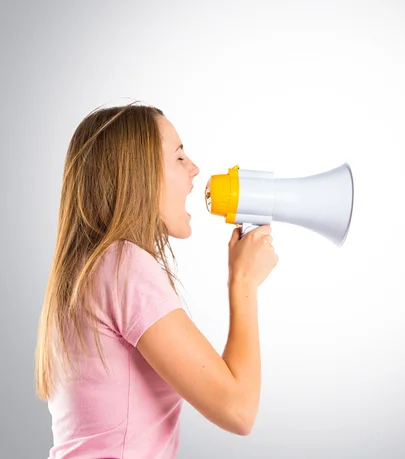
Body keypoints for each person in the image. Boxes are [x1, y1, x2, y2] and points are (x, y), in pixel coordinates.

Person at [34, 101, 278, 458]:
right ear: (138, 174)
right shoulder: (123, 266)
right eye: (179, 157)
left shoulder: (87, 270)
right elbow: (238, 409)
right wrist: (243, 282)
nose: (195, 169)